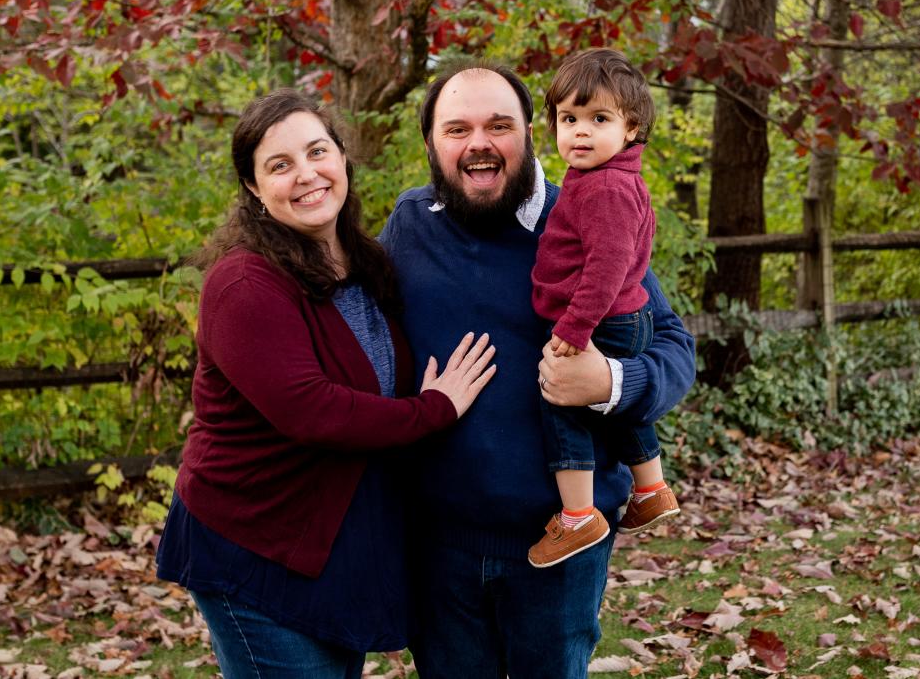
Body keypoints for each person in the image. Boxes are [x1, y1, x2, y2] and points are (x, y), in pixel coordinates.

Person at [156, 89, 497, 679]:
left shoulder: (365, 263)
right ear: (255, 189)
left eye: (318, 152)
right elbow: (311, 410)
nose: (306, 174)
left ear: (342, 158)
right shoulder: (244, 285)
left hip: (331, 549)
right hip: (256, 542)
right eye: (280, 165)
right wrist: (434, 410)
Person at [380, 59, 696, 679]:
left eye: (499, 125)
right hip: (438, 544)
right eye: (456, 129)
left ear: (530, 132)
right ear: (430, 143)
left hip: (561, 549)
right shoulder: (409, 227)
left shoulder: (585, 211)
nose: (478, 144)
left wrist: (611, 382)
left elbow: (672, 346)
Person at [527, 48, 679, 569]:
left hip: (604, 317)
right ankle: (652, 488)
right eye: (568, 119)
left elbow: (608, 266)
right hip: (623, 314)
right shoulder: (605, 180)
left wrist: (574, 326)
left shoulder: (606, 187)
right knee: (610, 406)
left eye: (599, 119)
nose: (580, 132)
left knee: (561, 399)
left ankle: (577, 514)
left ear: (632, 128)